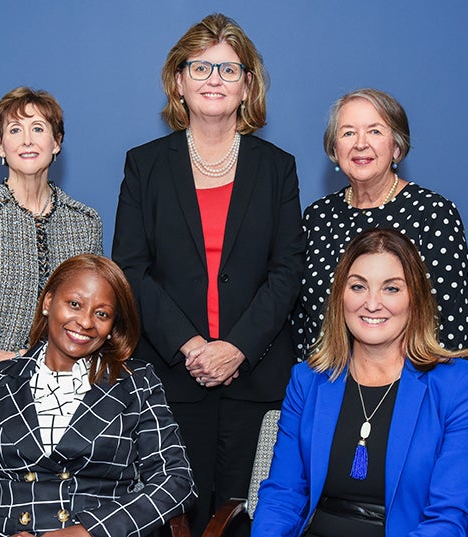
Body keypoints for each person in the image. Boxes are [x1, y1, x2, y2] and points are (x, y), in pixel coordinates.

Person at [111, 13, 305, 535]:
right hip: (172, 376)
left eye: (228, 68)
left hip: (255, 374)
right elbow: (131, 267)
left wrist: (236, 346)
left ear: (248, 84)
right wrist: (192, 345)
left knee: (247, 517)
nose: (213, 79)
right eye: (200, 67)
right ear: (179, 81)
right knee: (174, 516)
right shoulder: (145, 165)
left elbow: (287, 271)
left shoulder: (277, 167)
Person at [0, 254, 197, 537]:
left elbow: (175, 481)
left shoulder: (136, 382)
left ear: (112, 328)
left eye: (102, 314)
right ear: (48, 302)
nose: (85, 322)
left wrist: (90, 530)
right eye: (74, 304)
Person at [252, 229, 468, 537]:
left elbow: (450, 517)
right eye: (358, 286)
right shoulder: (308, 380)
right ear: (340, 295)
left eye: (391, 289)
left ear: (415, 298)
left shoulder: (461, 387)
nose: (371, 304)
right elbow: (282, 496)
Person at [0, 87, 103, 509]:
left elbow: (92, 321)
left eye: (39, 128)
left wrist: (17, 357)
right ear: (0, 146)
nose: (28, 139)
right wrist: (25, 364)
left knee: (63, 518)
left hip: (69, 398)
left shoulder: (86, 222)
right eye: (15, 129)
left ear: (57, 143)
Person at [292, 88, 468, 360]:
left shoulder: (431, 213)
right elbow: (302, 321)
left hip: (411, 387)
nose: (360, 143)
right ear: (334, 148)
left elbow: (453, 325)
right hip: (327, 384)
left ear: (397, 148)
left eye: (375, 131)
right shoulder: (318, 217)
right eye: (348, 132)